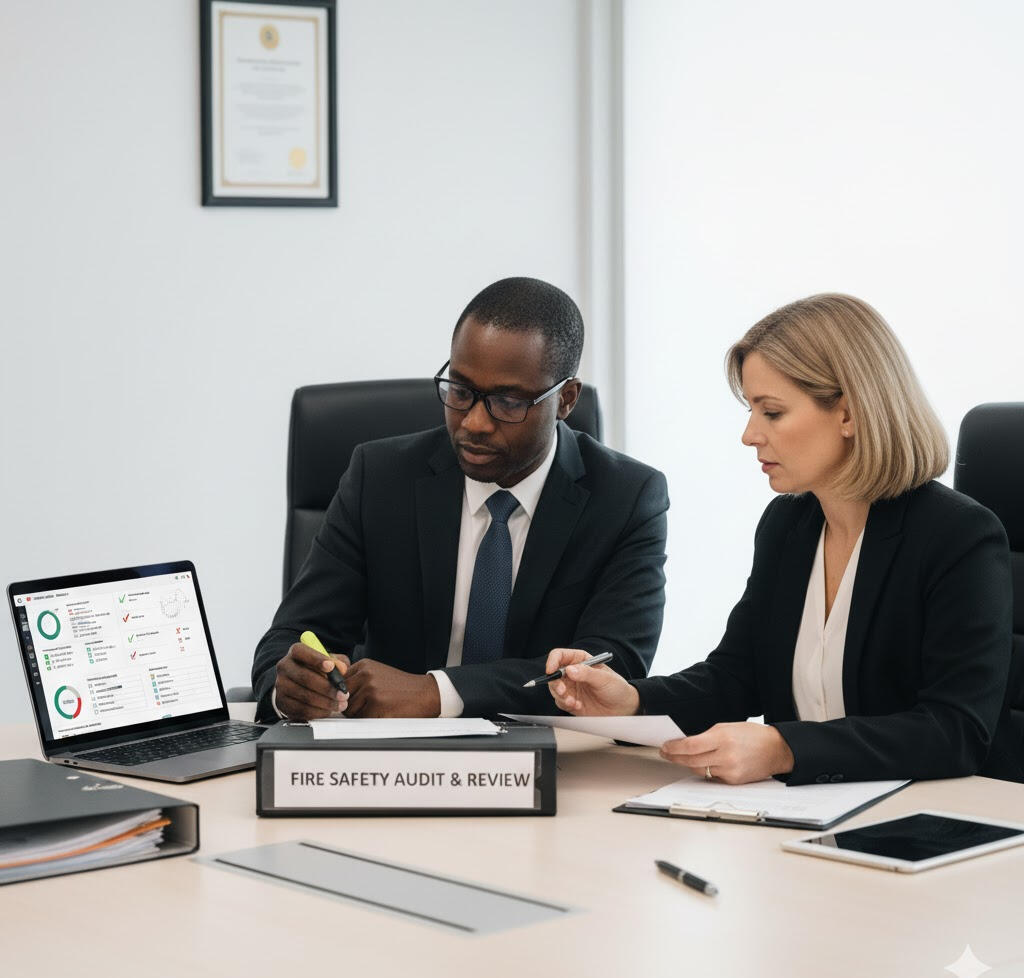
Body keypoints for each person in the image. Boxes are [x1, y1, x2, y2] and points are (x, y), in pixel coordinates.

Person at [546, 293, 1022, 786]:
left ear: (849, 414)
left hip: (929, 814)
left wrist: (785, 749)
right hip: (807, 811)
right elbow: (735, 677)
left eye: (771, 412)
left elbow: (955, 730)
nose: (750, 435)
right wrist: (631, 701)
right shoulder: (788, 525)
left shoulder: (959, 537)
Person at [252, 277, 669, 722]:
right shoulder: (380, 478)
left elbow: (613, 668)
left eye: (507, 402)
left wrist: (438, 693)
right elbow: (291, 638)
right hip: (388, 754)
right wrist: (292, 687)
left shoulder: (626, 498)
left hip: (553, 753)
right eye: (461, 391)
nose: (473, 423)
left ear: (565, 399)